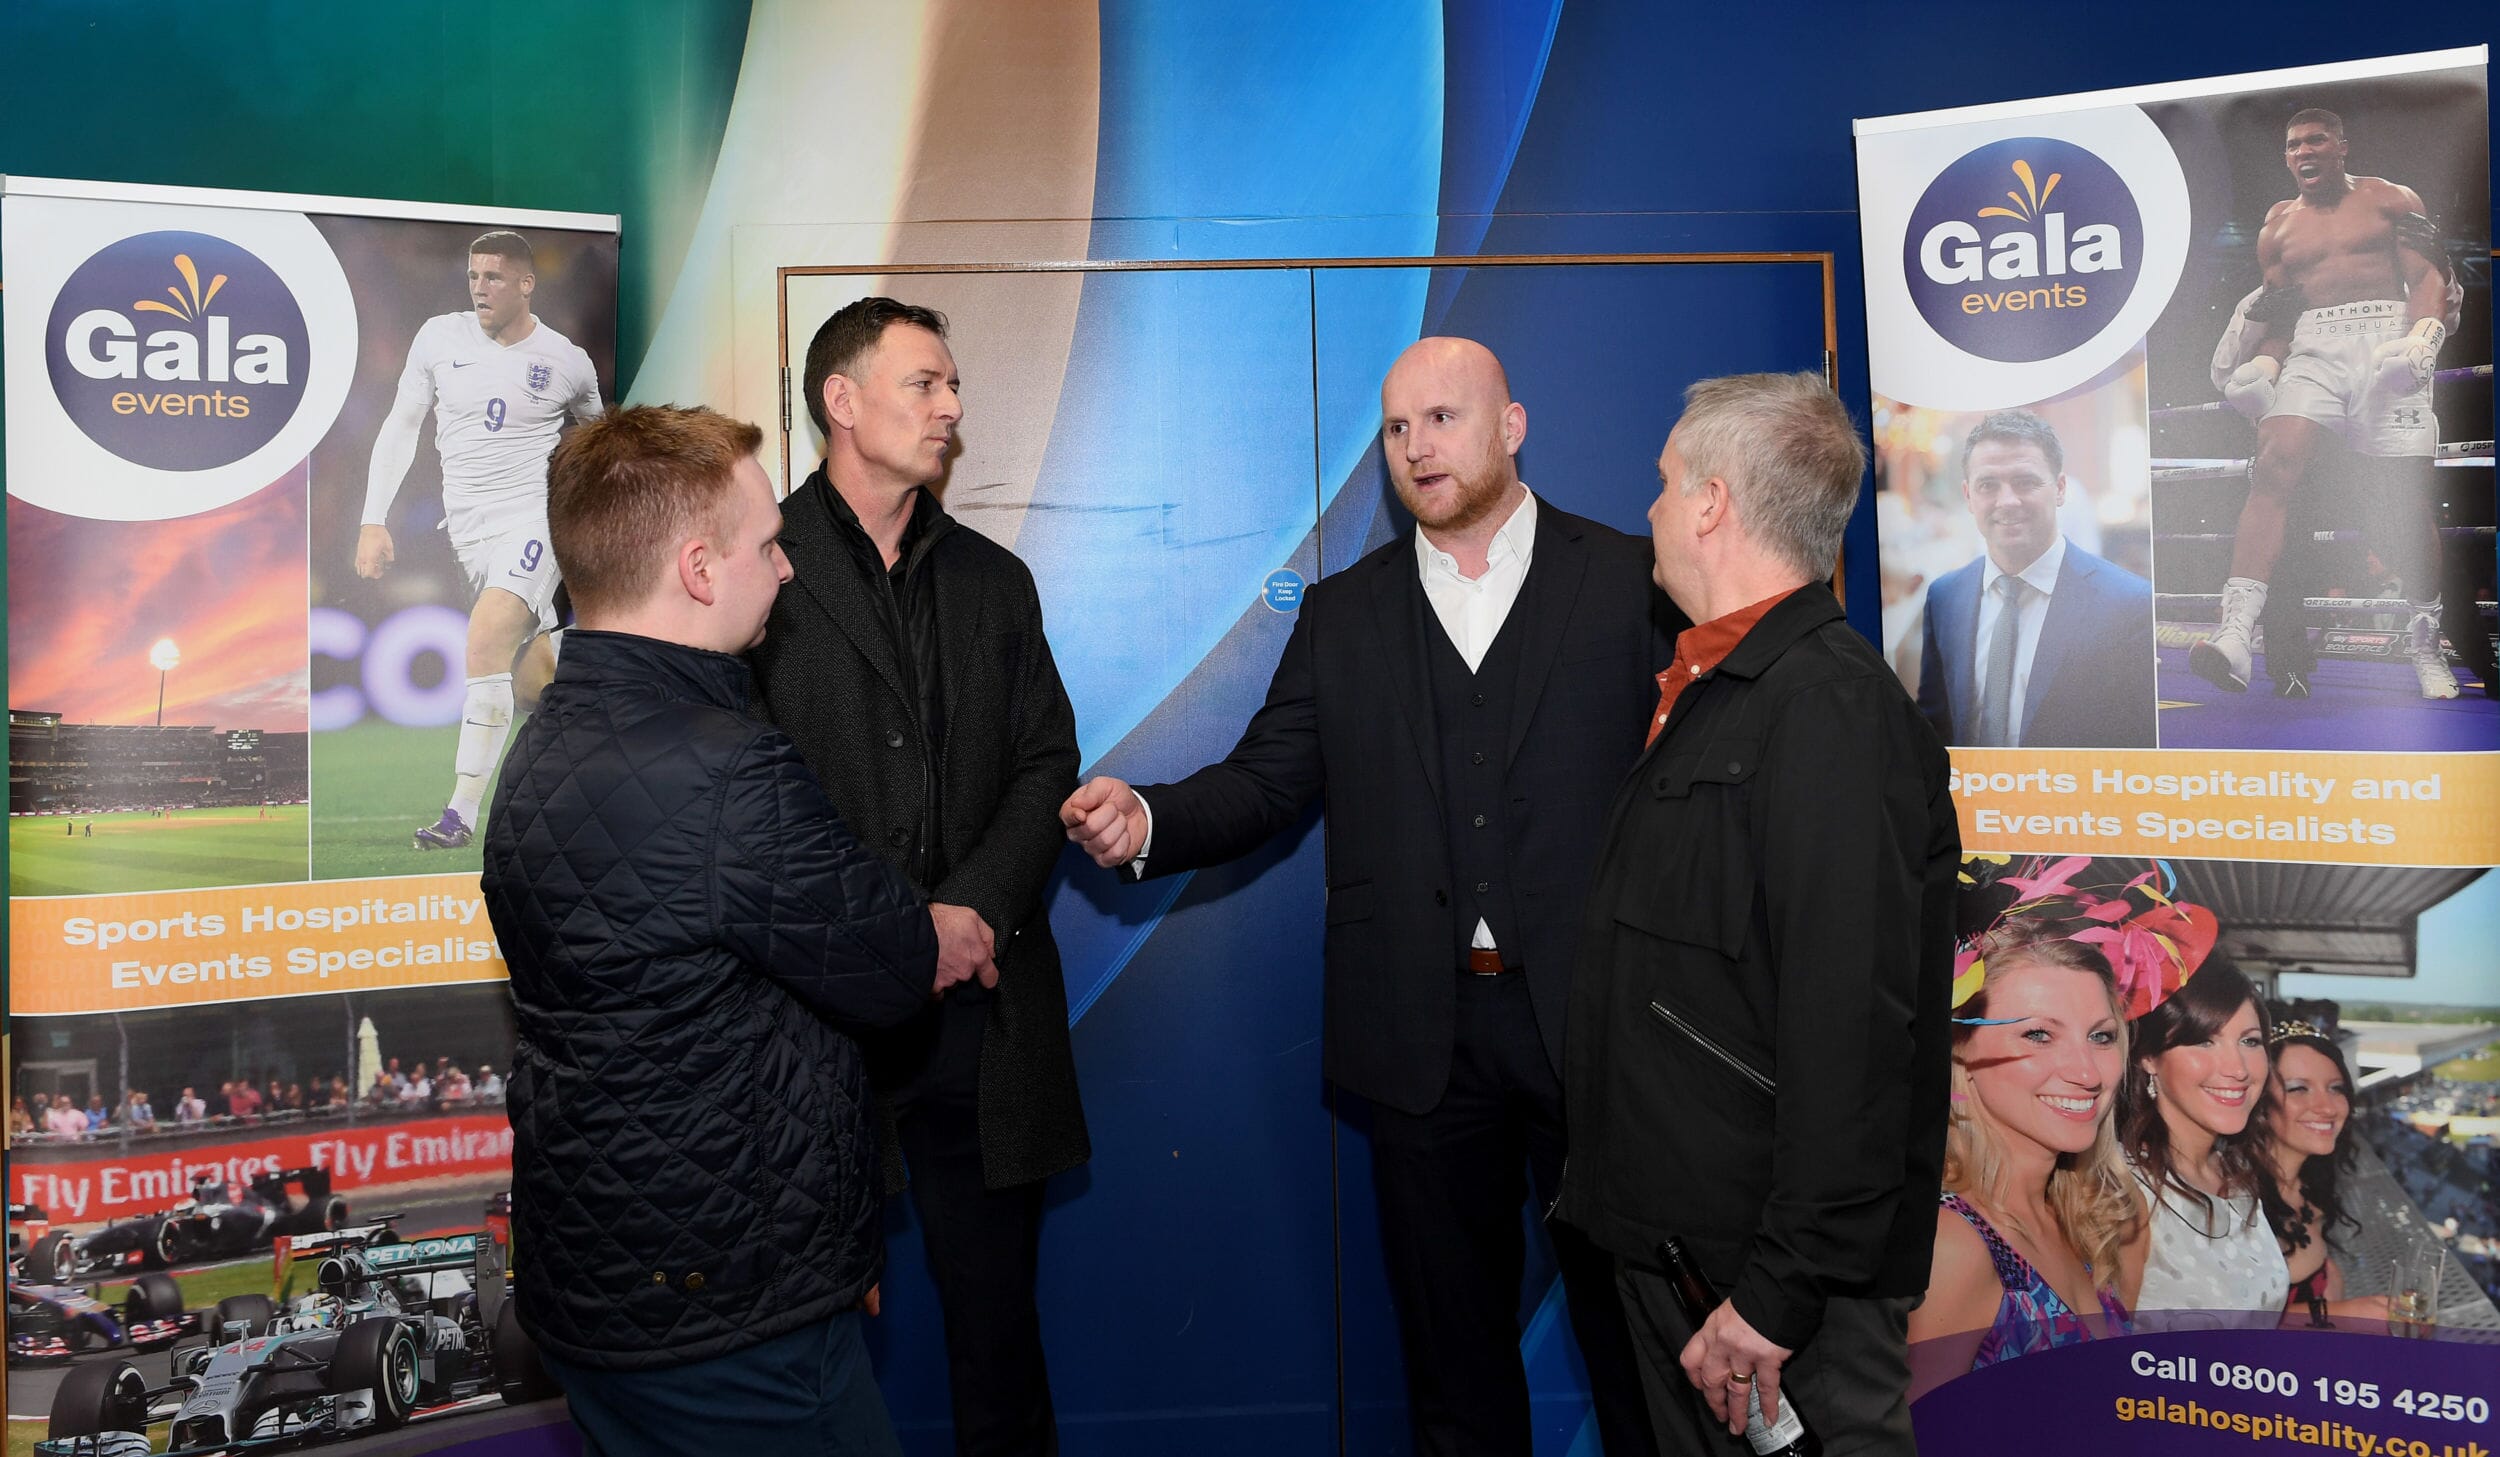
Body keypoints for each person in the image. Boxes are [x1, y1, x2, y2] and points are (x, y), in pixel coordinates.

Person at [1060, 336, 1668, 1457]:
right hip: (1419, 1039)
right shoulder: (1344, 612)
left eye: (1442, 418)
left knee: (1640, 1361)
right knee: (1452, 1372)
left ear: (1512, 426)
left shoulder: (1633, 580)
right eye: (1395, 427)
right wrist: (1148, 819)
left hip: (1602, 1032)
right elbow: (1265, 779)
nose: (1416, 447)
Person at [482, 403, 940, 1455]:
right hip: (727, 1316)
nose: (785, 568)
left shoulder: (538, 745)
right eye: (769, 544)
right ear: (698, 569)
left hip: (606, 1287)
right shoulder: (725, 767)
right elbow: (892, 966)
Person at [1555, 372, 1956, 1455]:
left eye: (1663, 482)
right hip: (1692, 1254)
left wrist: (1780, 1291)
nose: (1648, 508)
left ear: (1710, 503)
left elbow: (1853, 1029)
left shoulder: (1829, 709)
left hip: (1771, 1293)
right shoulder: (1726, 686)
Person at [752, 298, 1089, 1457]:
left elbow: (1046, 759)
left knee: (1000, 1345)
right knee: (802, 1354)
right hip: (816, 1033)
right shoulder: (759, 572)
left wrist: (972, 907)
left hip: (982, 1024)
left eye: (953, 386)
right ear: (841, 400)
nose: (951, 405)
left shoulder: (996, 580)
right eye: (925, 383)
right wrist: (894, 932)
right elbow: (744, 799)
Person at [2200, 108, 2464, 699]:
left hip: (2385, 338)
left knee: (2402, 508)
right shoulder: (2276, 228)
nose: (2304, 151)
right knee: (2274, 464)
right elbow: (2280, 314)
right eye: (2293, 144)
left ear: (2342, 146)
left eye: (2316, 140)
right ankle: (2235, 633)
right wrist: (2266, 364)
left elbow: (2427, 277)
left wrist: (2421, 339)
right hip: (2314, 344)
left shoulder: (2390, 199)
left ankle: (2425, 641)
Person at [360, 230, 605, 849]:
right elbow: (402, 424)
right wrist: (372, 518)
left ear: (526, 283)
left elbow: (600, 445)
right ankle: (605, 655)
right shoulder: (439, 338)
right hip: (468, 533)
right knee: (529, 680)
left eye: (493, 276)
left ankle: (459, 815)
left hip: (534, 520)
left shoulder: (567, 360)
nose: (479, 287)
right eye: (473, 275)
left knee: (484, 639)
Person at [1910, 916, 2133, 1388]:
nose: (2087, 1073)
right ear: (1960, 1049)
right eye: (2038, 1035)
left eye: (2101, 1036)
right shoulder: (1955, 1243)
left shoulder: (2073, 1218)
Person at [1915, 411, 2154, 747]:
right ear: (1968, 496)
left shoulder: (2128, 605)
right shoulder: (1945, 597)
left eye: (2025, 482)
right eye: (1988, 485)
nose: (2007, 501)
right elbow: (1932, 732)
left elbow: (2136, 744)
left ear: (2060, 489)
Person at [2115, 961, 2289, 1320]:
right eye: (2204, 1041)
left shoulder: (2236, 1172)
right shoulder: (2123, 1194)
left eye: (2250, 1041)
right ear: (2148, 1057)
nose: (2238, 1069)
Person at [2259, 1019, 2391, 1327]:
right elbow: (2215, 1327)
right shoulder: (2230, 1202)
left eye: (2335, 1088)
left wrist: (2328, 1283)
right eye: (2298, 1088)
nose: (2328, 1107)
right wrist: (2342, 1314)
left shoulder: (2312, 1187)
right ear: (2259, 1102)